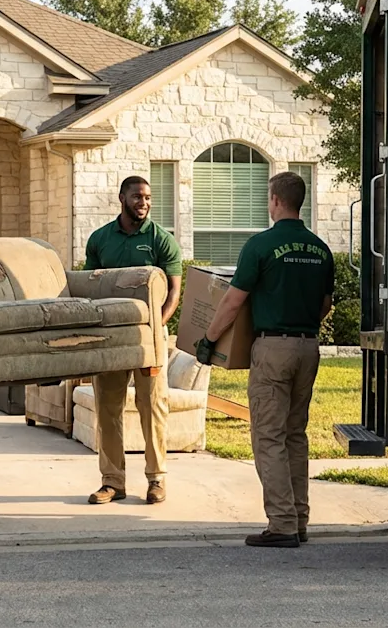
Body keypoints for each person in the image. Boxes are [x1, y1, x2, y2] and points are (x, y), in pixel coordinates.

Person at [195, 171, 333, 548]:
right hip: (308, 347)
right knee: (295, 435)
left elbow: (232, 301)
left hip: (273, 349)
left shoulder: (261, 246)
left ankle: (282, 524)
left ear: (274, 201)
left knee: (269, 436)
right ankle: (299, 519)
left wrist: (208, 340)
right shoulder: (321, 249)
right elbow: (325, 305)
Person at [82, 175, 184, 505]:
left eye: (148, 197)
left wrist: (155, 329)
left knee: (152, 406)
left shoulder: (162, 240)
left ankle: (156, 479)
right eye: (138, 197)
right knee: (107, 407)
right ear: (122, 198)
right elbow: (91, 287)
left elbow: (173, 293)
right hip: (111, 338)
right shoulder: (100, 239)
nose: (144, 203)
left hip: (149, 339)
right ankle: (112, 482)